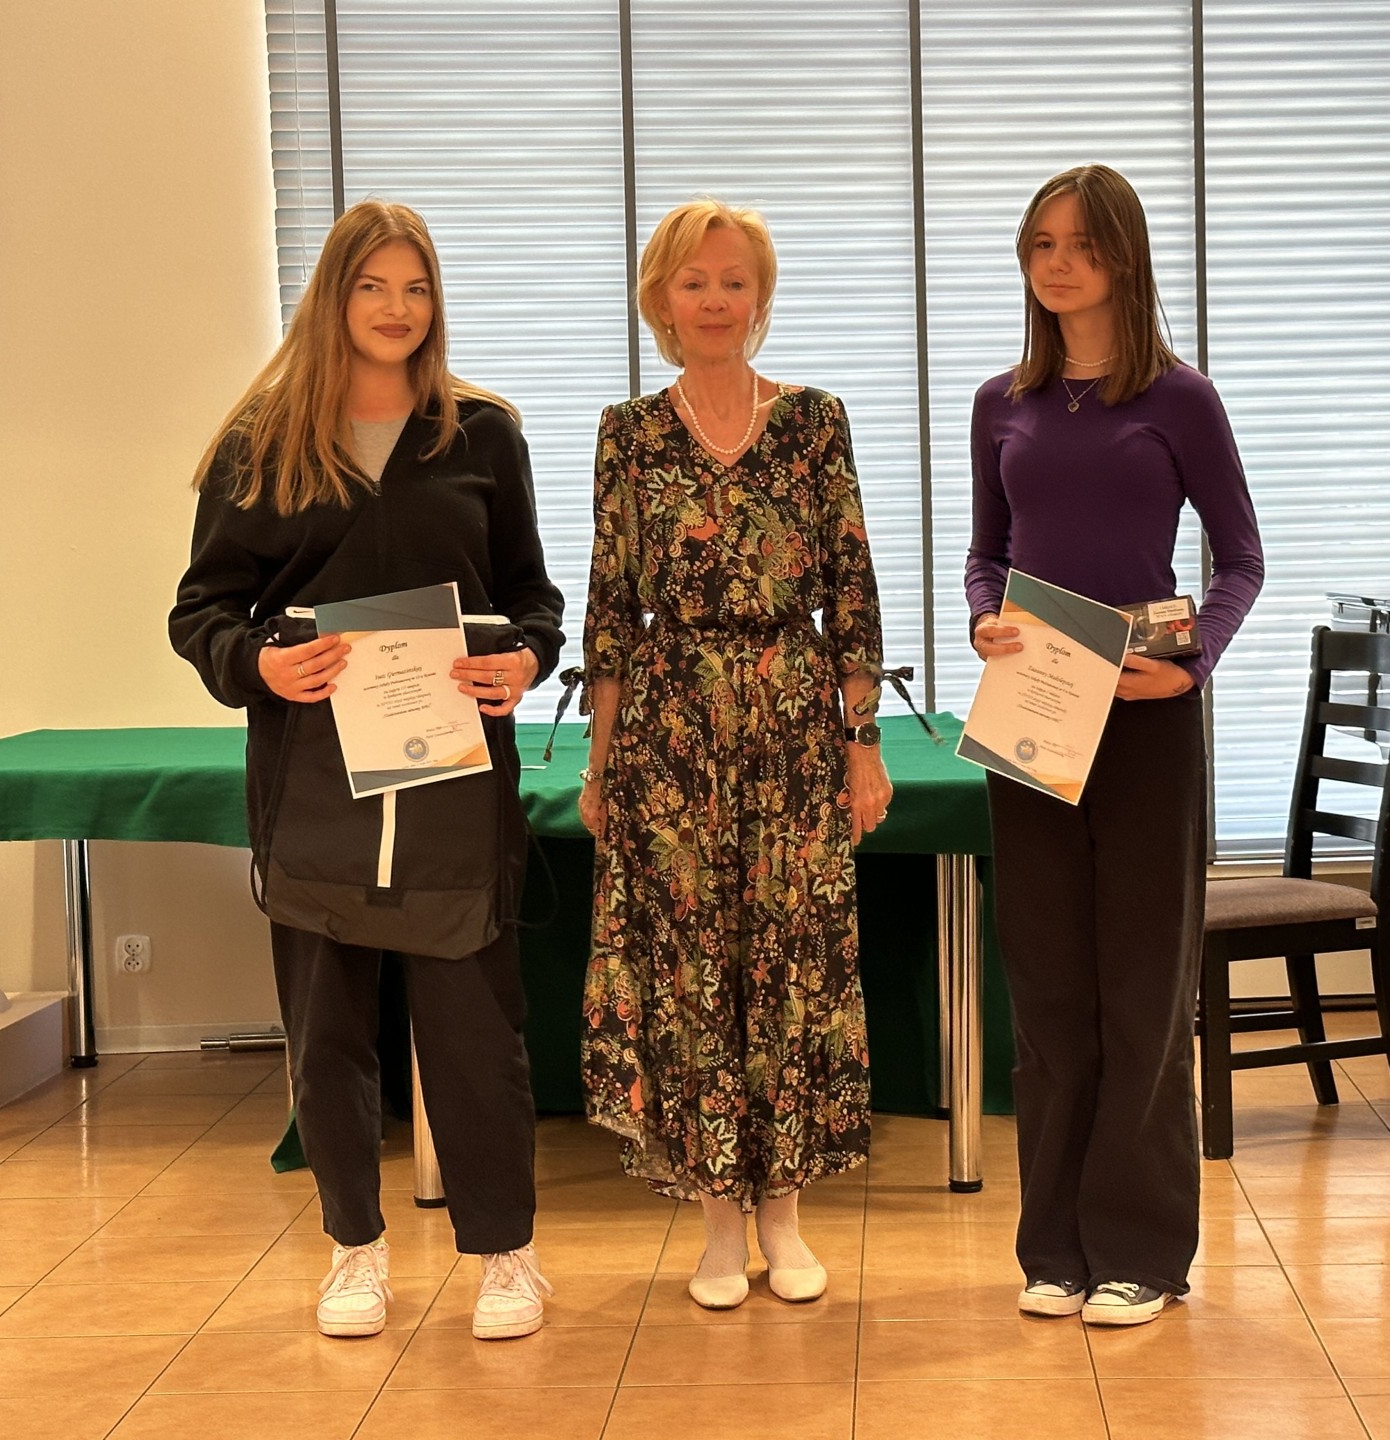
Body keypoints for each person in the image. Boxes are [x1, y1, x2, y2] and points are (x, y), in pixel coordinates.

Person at [170, 200, 564, 1341]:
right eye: (373, 286)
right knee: (329, 1030)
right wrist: (260, 663)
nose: (398, 309)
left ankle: (505, 1255)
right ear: (333, 296)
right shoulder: (261, 441)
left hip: (454, 775)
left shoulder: (482, 434)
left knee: (475, 1031)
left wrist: (523, 660)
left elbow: (533, 598)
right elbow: (201, 610)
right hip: (314, 781)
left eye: (417, 287)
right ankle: (354, 1249)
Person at [578, 198, 891, 1310]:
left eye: (733, 280)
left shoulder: (814, 422)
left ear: (760, 296)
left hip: (793, 720)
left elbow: (853, 593)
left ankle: (786, 1215)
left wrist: (862, 745)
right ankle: (718, 1221)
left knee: (792, 962)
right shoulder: (628, 433)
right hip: (669, 733)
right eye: (693, 281)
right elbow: (610, 612)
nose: (714, 299)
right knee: (691, 969)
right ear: (661, 300)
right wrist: (600, 767)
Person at [967, 165, 1264, 1327]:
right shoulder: (1002, 401)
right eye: (1041, 243)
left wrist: (1192, 666)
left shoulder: (1181, 399)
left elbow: (1241, 560)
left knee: (1143, 987)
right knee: (1047, 988)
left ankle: (1142, 1253)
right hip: (1032, 711)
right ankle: (1054, 1251)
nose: (1058, 263)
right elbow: (988, 554)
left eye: (1082, 245)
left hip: (1146, 718)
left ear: (1124, 259)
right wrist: (984, 619)